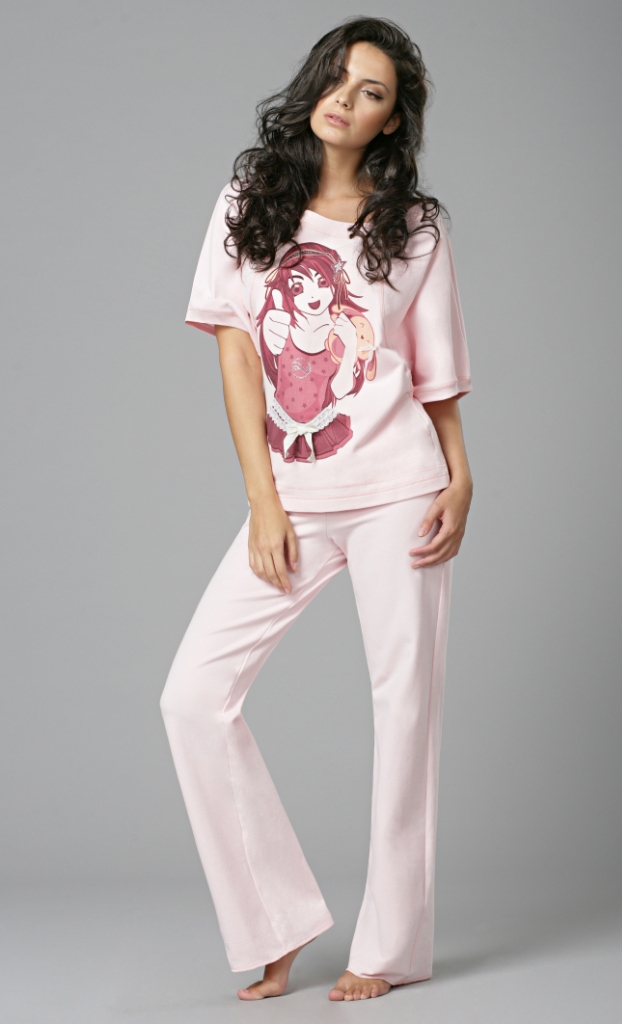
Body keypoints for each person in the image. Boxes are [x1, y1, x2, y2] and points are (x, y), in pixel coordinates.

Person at [159, 15, 473, 1003]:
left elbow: (432, 375)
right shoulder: (248, 200)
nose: (344, 98)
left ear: (391, 120)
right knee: (192, 697)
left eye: (370, 91)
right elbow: (234, 356)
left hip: (401, 489)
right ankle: (277, 921)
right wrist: (262, 500)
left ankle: (390, 947)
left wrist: (461, 477)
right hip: (293, 496)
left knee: (404, 710)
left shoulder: (413, 226)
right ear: (313, 85)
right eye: (336, 78)